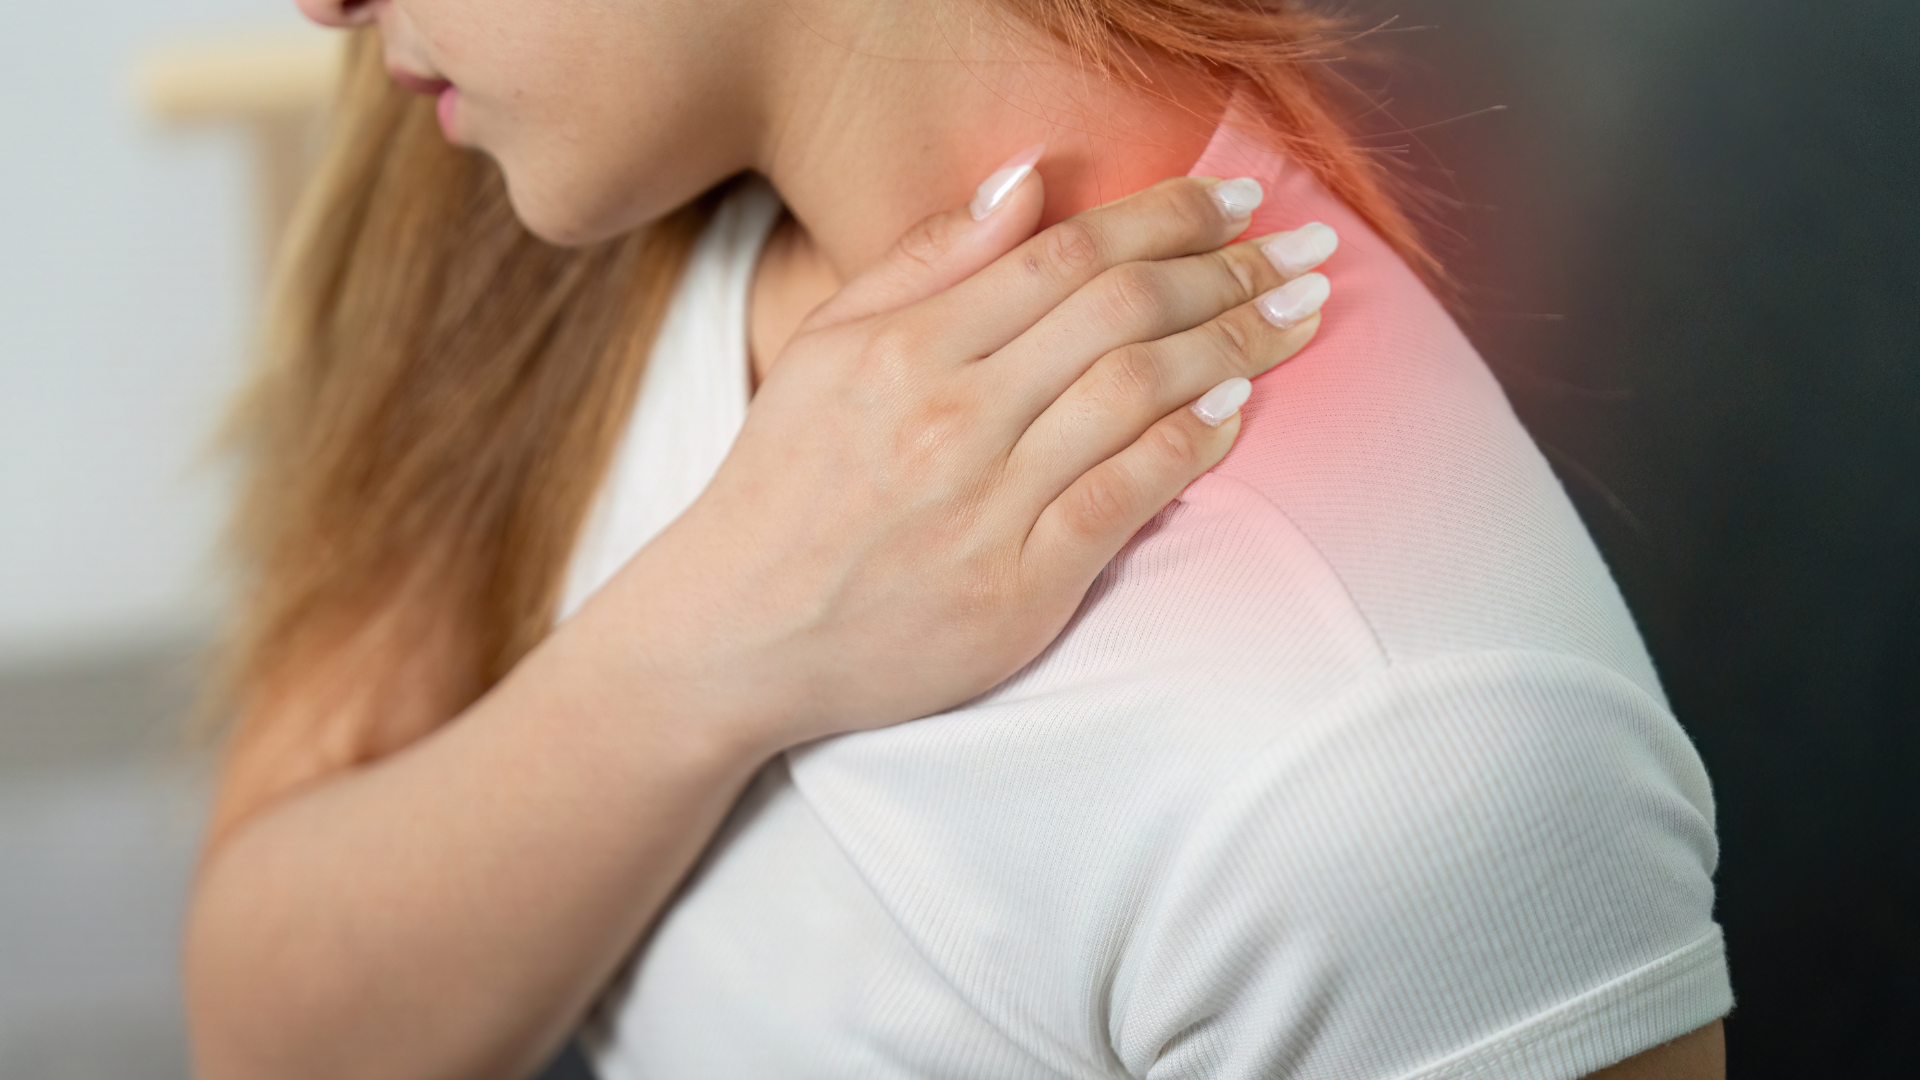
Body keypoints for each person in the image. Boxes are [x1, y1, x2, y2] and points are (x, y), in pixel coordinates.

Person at [185, 2, 1731, 1078]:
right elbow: (268, 1035)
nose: (319, 6)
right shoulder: (531, 157)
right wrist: (709, 636)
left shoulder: (1404, 758)